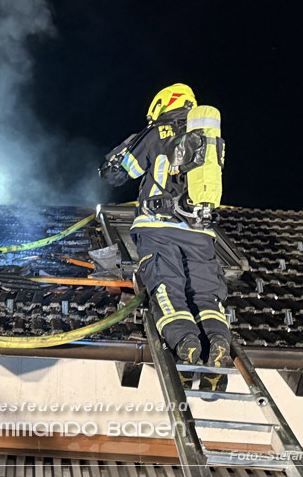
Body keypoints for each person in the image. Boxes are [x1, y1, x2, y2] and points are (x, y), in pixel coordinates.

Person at [100, 83, 231, 391]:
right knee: (206, 294)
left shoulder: (157, 132)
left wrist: (123, 151)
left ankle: (185, 344)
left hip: (158, 229)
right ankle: (217, 342)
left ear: (160, 106)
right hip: (201, 232)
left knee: (167, 289)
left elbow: (116, 174)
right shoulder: (211, 139)